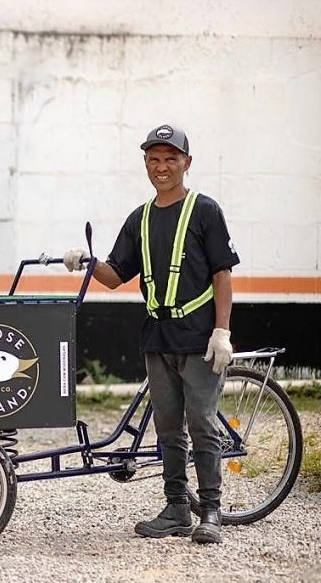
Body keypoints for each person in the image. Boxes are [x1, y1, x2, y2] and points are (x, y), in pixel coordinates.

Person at [63, 124, 238, 544]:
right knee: (168, 428)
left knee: (201, 423)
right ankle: (177, 507)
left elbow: (222, 273)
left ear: (186, 163)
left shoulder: (205, 211)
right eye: (154, 159)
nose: (162, 167)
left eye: (170, 159)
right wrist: (87, 261)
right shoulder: (139, 219)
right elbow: (115, 276)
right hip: (157, 338)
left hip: (199, 337)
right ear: (145, 163)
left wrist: (222, 331)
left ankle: (210, 510)